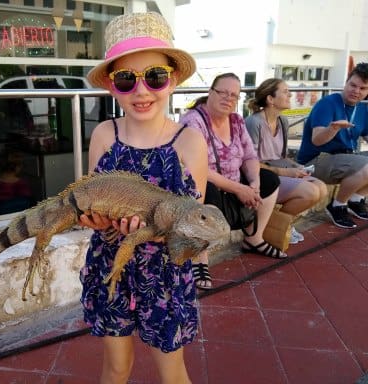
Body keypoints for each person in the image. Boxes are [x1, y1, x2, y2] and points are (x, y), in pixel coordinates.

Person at [78, 12, 208, 384]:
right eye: (125, 79)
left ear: (174, 79)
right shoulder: (103, 135)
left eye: (154, 76)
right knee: (116, 367)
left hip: (165, 276)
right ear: (111, 85)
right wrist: (98, 222)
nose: (141, 91)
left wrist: (149, 232)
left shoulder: (189, 142)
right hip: (110, 268)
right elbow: (91, 201)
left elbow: (191, 233)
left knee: (172, 372)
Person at [180, 73, 287, 259]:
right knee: (204, 188)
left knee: (269, 179)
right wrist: (239, 189)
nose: (228, 98)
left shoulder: (236, 120)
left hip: (233, 189)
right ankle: (200, 258)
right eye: (223, 92)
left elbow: (249, 156)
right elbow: (197, 168)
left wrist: (254, 184)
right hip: (209, 189)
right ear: (210, 92)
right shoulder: (193, 121)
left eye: (233, 95)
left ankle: (254, 238)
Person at [245, 78, 328, 244]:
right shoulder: (254, 122)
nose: (290, 94)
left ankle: (282, 223)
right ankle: (277, 224)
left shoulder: (283, 121)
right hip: (260, 176)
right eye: (285, 91)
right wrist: (285, 172)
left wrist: (296, 166)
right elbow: (249, 162)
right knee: (310, 192)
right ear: (270, 99)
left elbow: (281, 157)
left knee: (322, 188)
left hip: (278, 170)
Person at [297, 62, 368, 229]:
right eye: (353, 85)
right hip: (315, 161)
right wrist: (333, 128)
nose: (356, 91)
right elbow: (317, 140)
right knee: (366, 166)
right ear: (346, 82)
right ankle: (337, 205)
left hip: (344, 159)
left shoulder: (362, 109)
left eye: (362, 88)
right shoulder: (327, 103)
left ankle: (356, 200)